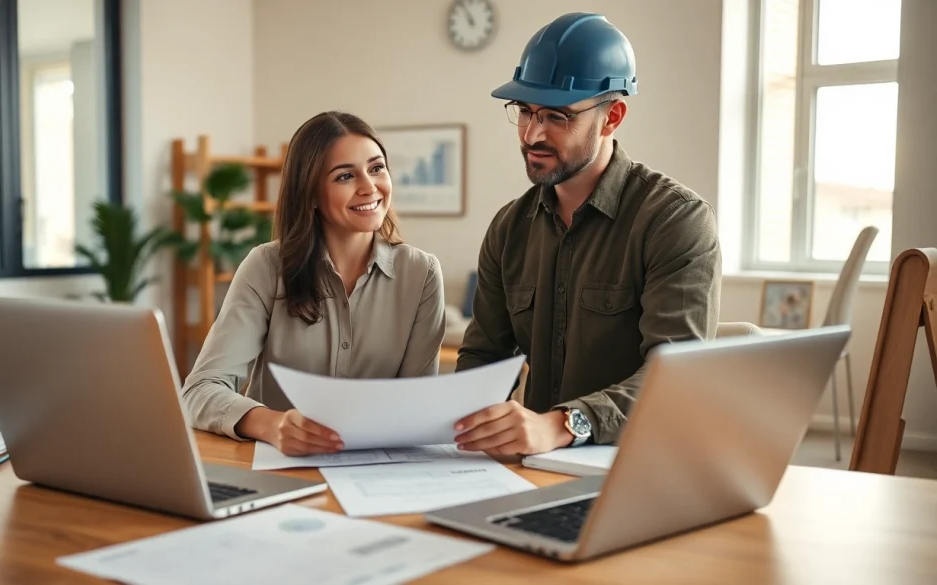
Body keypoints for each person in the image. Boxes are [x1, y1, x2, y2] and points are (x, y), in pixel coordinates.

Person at [452, 13, 722, 455]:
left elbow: (674, 377)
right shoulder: (508, 228)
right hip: (531, 465)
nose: (533, 134)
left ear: (612, 116)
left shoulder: (675, 221)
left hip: (639, 463)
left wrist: (561, 425)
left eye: (557, 116)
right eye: (525, 111)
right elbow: (484, 361)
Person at [181, 111, 446, 455]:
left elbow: (416, 405)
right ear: (309, 191)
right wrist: (273, 425)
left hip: (379, 473)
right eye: (345, 175)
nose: (369, 186)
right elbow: (201, 390)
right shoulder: (265, 267)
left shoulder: (421, 273)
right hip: (279, 470)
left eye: (377, 168)